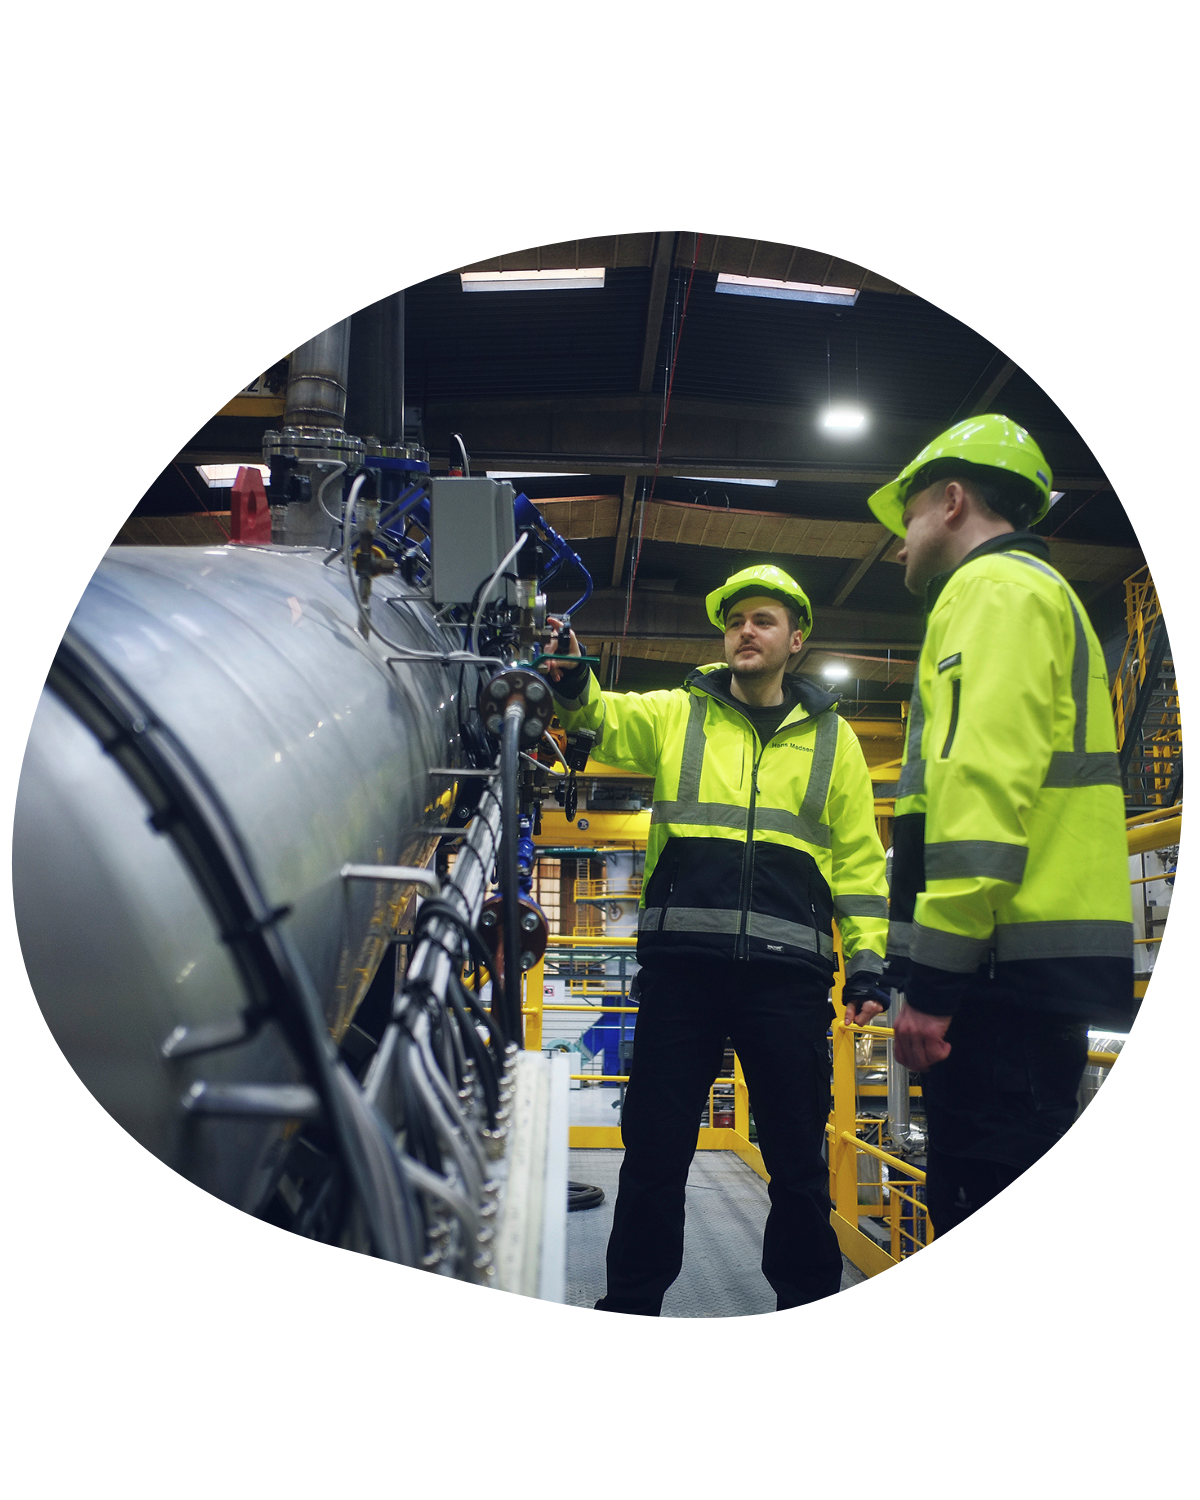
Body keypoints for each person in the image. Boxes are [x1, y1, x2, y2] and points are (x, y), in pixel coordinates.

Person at [542, 564, 890, 1313]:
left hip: (789, 980)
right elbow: (600, 714)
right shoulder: (680, 713)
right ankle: (631, 1308)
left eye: (763, 620)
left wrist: (866, 964)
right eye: (735, 621)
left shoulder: (835, 741)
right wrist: (571, 676)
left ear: (796, 640)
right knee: (654, 1158)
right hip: (684, 977)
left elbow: (860, 863)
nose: (745, 631)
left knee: (798, 1167)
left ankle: (805, 1307)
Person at [865, 414, 1135, 1236]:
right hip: (1013, 974)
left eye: (908, 517)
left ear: (952, 502)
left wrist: (934, 985)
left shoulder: (992, 593)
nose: (899, 546)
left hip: (997, 980)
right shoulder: (1028, 593)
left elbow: (978, 797)